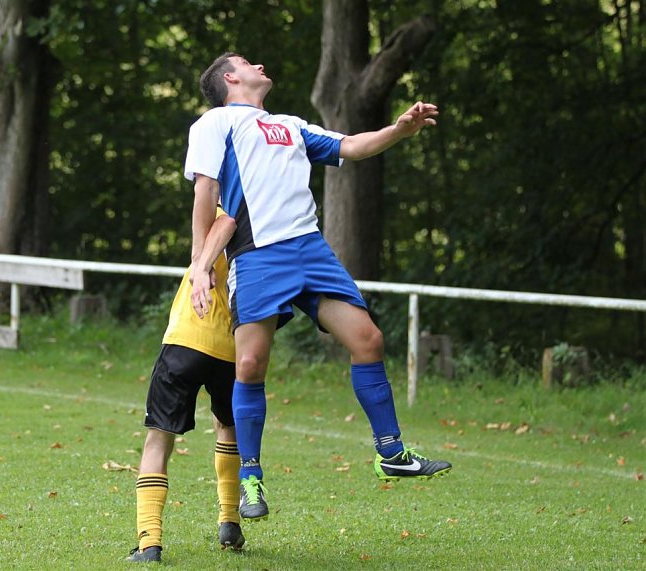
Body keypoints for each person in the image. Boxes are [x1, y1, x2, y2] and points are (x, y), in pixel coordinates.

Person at [185, 53, 452, 522]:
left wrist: (398, 130)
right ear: (230, 78)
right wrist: (200, 265)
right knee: (249, 363)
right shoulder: (215, 122)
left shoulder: (289, 124)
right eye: (248, 62)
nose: (261, 64)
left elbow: (351, 146)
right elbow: (204, 193)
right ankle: (250, 477)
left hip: (310, 250)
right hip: (257, 254)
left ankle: (390, 453)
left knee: (368, 339)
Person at [127, 208, 244, 564]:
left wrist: (200, 265)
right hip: (230, 347)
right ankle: (229, 521)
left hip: (187, 338)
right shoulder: (268, 228)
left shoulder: (226, 207)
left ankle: (149, 542)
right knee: (227, 428)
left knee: (158, 439)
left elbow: (222, 220)